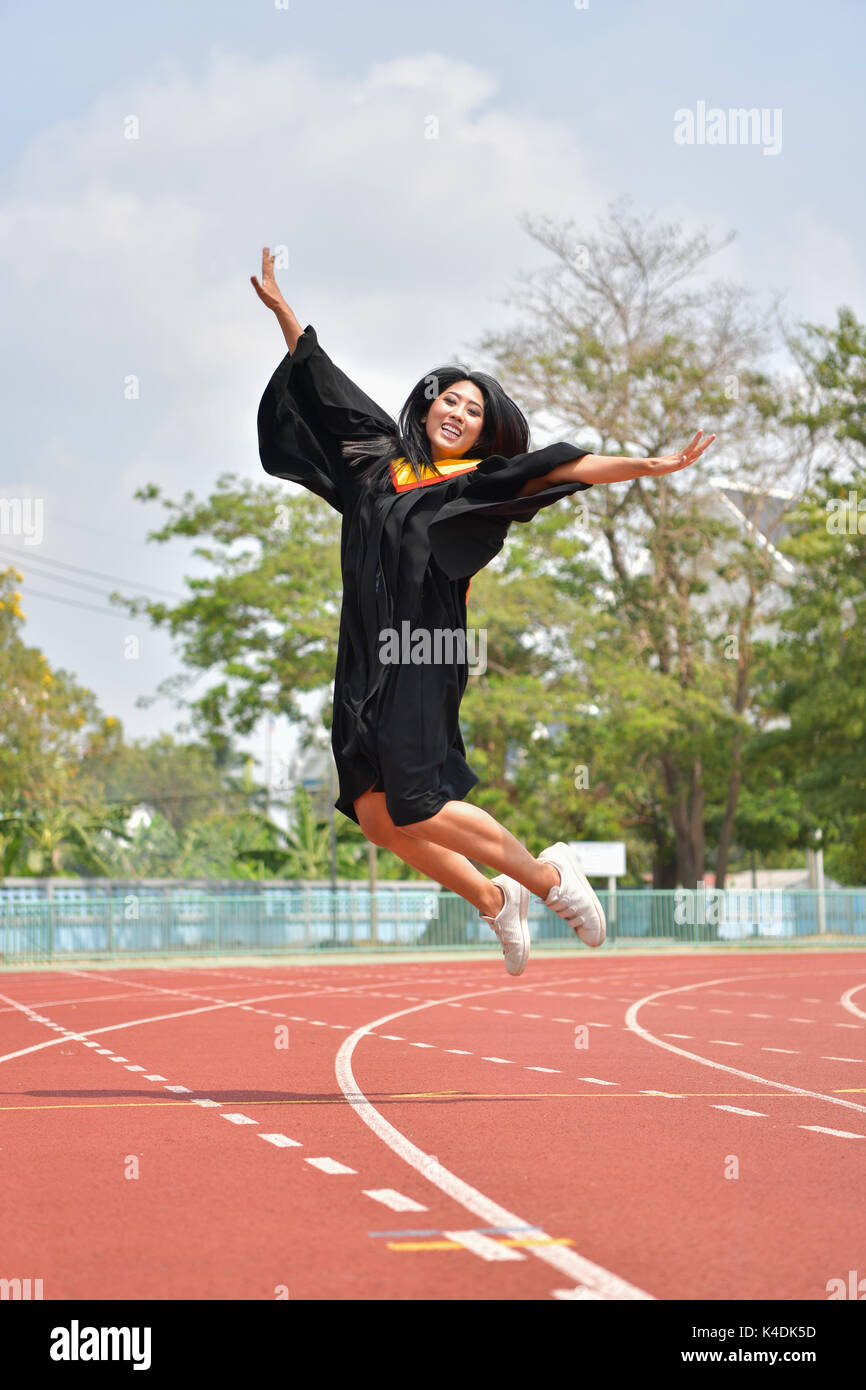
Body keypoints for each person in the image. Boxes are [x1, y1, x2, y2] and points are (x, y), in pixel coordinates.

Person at [251, 249, 715, 976]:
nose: (457, 412)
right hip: (364, 656)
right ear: (428, 404)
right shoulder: (376, 461)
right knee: (376, 817)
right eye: (449, 400)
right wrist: (284, 310)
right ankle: (494, 901)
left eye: (472, 409)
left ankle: (548, 878)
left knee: (417, 804)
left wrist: (651, 467)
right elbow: (324, 389)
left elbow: (566, 468)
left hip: (423, 652)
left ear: (484, 427)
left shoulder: (483, 482)